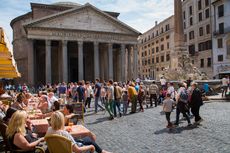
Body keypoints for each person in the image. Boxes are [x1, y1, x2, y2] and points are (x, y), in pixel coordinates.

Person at [46, 111, 111, 153]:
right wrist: (91, 147)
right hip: (70, 150)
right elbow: (78, 150)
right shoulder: (64, 134)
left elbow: (57, 135)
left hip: (58, 149)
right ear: (62, 121)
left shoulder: (49, 130)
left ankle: (101, 151)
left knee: (87, 139)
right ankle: (100, 151)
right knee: (90, 142)